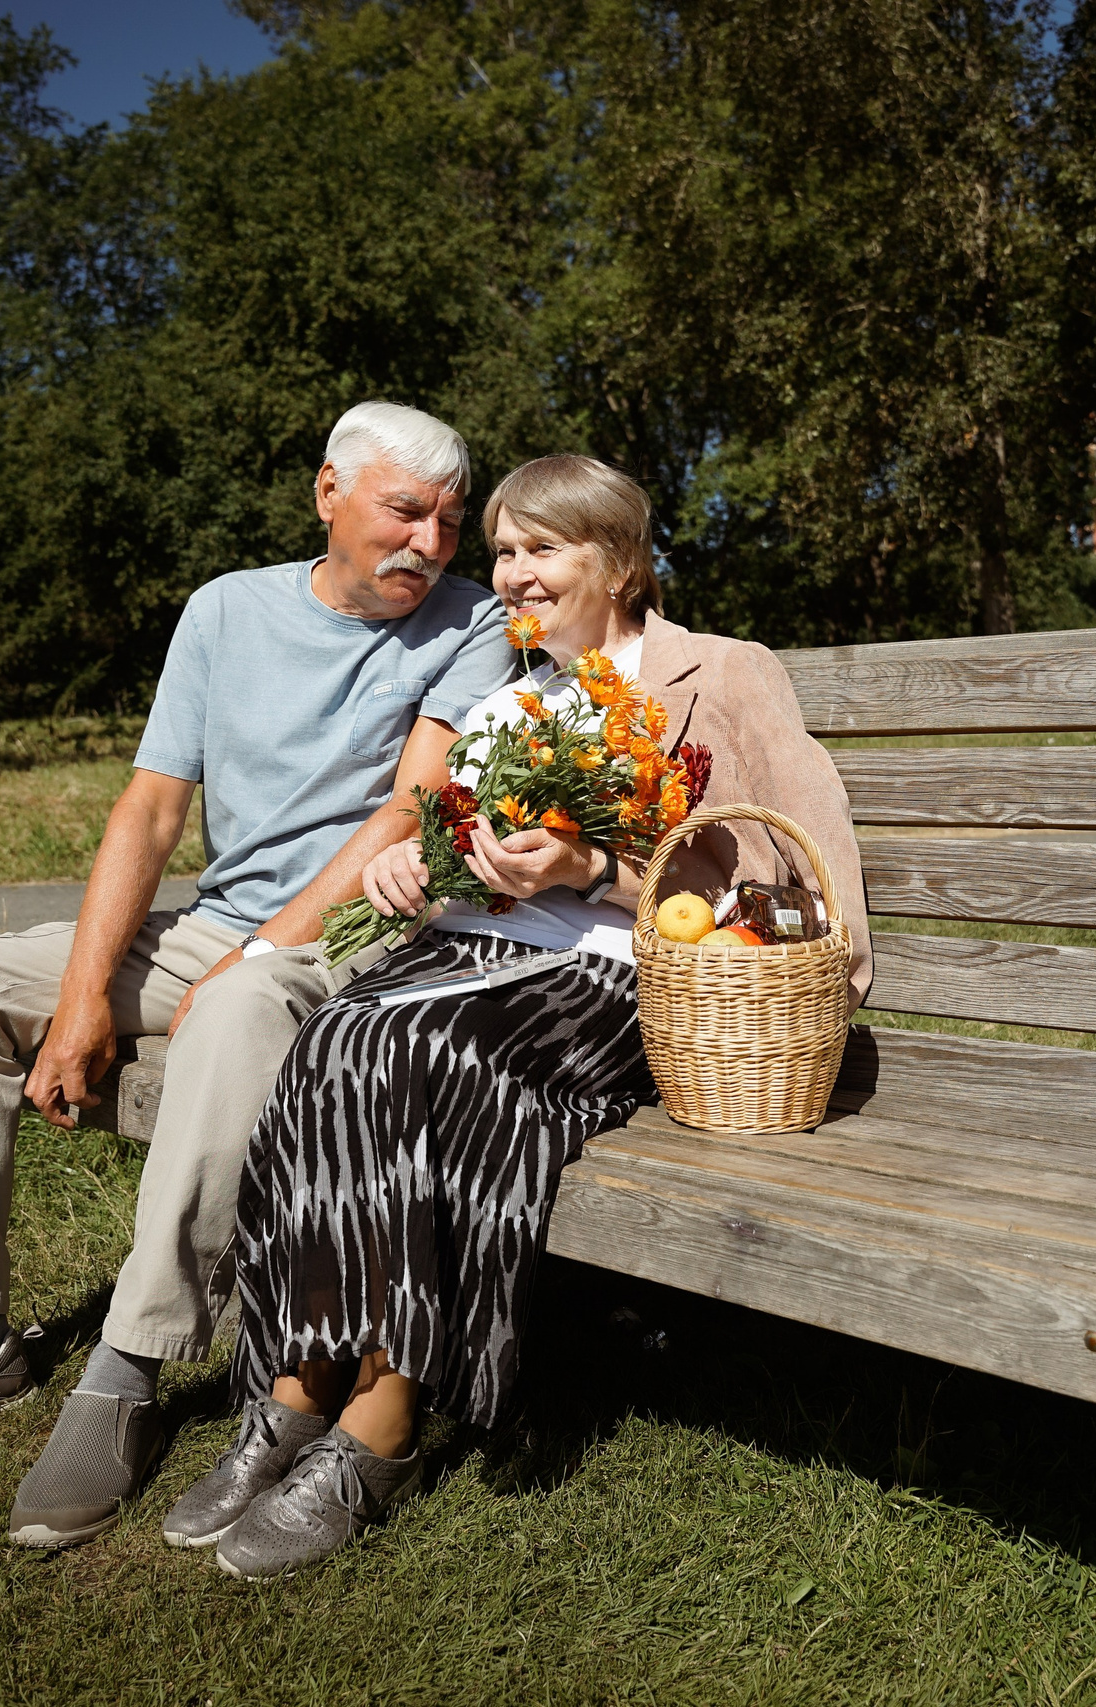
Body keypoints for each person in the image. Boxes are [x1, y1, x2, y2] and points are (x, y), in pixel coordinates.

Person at [0, 402, 519, 1552]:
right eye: (403, 511)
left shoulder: (471, 626)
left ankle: (126, 1367)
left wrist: (254, 955)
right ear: (329, 494)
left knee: (228, 1011)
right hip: (217, 924)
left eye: (449, 522)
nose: (429, 542)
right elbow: (153, 809)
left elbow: (406, 812)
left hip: (355, 937)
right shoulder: (226, 609)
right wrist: (81, 1002)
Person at [154, 454, 872, 1575]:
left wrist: (593, 869)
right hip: (478, 954)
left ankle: (381, 1426)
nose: (513, 574)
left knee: (420, 1045)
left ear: (619, 561)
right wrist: (415, 878)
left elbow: (792, 873)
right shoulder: (514, 699)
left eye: (542, 549)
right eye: (502, 551)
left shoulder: (720, 673)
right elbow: (467, 864)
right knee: (338, 1036)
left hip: (628, 979)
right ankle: (294, 1390)